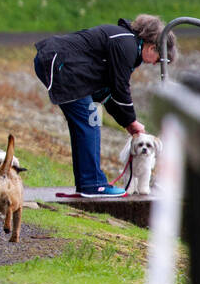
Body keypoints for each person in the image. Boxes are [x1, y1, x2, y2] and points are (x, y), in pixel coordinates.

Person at [32, 14, 178, 198]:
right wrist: (132, 121)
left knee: (90, 117)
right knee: (89, 121)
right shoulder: (127, 45)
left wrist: (127, 123)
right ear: (151, 47)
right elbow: (120, 87)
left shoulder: (127, 45)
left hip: (62, 64)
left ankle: (88, 182)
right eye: (158, 59)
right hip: (60, 62)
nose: (153, 64)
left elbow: (108, 94)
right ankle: (92, 184)